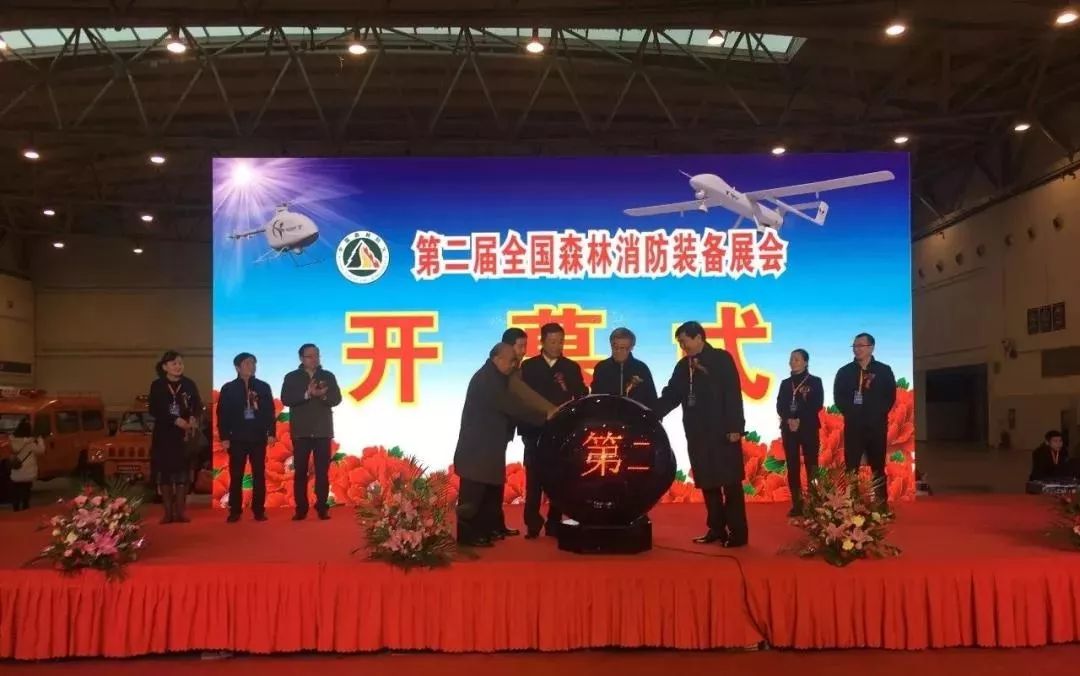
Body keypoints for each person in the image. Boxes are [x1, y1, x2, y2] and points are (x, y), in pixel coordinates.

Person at [655, 321, 747, 547]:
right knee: (708, 482)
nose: (682, 346)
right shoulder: (682, 366)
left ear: (698, 338)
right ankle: (716, 529)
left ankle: (738, 533)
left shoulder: (721, 359)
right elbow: (671, 395)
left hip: (723, 431)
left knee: (730, 483)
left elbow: (733, 394)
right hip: (697, 433)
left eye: (684, 341)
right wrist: (652, 413)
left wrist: (735, 427)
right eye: (680, 343)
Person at [453, 343, 553, 547]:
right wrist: (544, 416)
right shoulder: (487, 380)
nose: (513, 365)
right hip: (477, 448)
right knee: (473, 495)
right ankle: (468, 536)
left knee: (487, 493)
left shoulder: (496, 376)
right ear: (496, 359)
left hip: (487, 446)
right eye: (510, 361)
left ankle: (484, 531)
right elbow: (511, 406)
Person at [519, 322, 588, 539]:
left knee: (560, 477)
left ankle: (554, 521)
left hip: (562, 431)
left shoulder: (570, 367)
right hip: (534, 430)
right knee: (534, 479)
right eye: (552, 341)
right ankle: (532, 523)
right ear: (542, 341)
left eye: (560, 341)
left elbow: (582, 395)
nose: (557, 346)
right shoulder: (528, 367)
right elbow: (521, 398)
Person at [494, 327, 552, 539]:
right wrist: (547, 412)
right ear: (507, 347)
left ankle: (496, 524)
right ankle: (494, 525)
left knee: (496, 478)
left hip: (504, 431)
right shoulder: (503, 370)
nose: (524, 351)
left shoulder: (516, 369)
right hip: (493, 431)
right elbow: (521, 400)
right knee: (493, 479)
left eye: (525, 346)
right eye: (520, 346)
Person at [833, 332, 896, 509]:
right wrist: (852, 413)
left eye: (861, 345)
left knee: (878, 467)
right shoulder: (845, 371)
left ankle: (881, 505)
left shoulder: (884, 370)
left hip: (877, 426)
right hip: (854, 426)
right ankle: (850, 505)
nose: (857, 349)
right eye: (854, 346)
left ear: (871, 347)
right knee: (851, 467)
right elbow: (839, 397)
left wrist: (876, 413)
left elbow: (890, 396)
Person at [281, 343, 342, 521]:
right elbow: (286, 399)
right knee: (300, 471)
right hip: (301, 431)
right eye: (310, 356)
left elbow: (337, 399)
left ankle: (322, 507)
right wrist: (307, 394)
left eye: (317, 355)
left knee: (322, 472)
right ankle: (301, 508)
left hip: (322, 430)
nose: (315, 359)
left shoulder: (327, 376)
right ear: (301, 358)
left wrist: (322, 395)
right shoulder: (292, 377)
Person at [217, 352, 277, 522]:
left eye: (253, 363)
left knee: (259, 474)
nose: (252, 366)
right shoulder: (228, 388)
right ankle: (235, 511)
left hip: (258, 437)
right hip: (237, 438)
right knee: (236, 475)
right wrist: (224, 437)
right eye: (247, 363)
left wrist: (271, 432)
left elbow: (270, 411)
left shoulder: (263, 387)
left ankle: (259, 510)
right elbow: (222, 414)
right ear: (237, 367)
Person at [148, 350, 204, 524]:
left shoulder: (189, 384)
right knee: (165, 475)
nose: (178, 366)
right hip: (164, 435)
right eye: (174, 363)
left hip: (184, 436)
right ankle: (167, 513)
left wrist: (193, 417)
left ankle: (180, 512)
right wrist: (174, 420)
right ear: (165, 367)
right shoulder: (157, 385)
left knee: (182, 475)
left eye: (180, 363)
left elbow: (197, 405)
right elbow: (154, 409)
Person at [775, 349, 824, 517]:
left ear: (805, 362)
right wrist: (789, 419)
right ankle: (797, 504)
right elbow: (780, 405)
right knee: (792, 465)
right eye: (791, 359)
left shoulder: (815, 382)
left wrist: (799, 419)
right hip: (789, 428)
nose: (792, 362)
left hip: (808, 427)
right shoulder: (785, 383)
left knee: (812, 465)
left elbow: (817, 404)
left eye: (796, 359)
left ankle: (815, 502)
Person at [590, 327, 658, 409]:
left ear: (631, 347)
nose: (618, 351)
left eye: (622, 348)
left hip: (635, 415)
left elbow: (651, 400)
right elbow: (594, 399)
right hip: (607, 415)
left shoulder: (641, 368)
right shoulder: (601, 368)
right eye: (615, 347)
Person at [8, 419, 44, 512]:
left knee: (16, 490)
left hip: (16, 471)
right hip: (28, 472)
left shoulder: (12, 442)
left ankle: (16, 507)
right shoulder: (30, 444)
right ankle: (25, 507)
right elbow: (41, 450)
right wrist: (39, 439)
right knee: (26, 490)